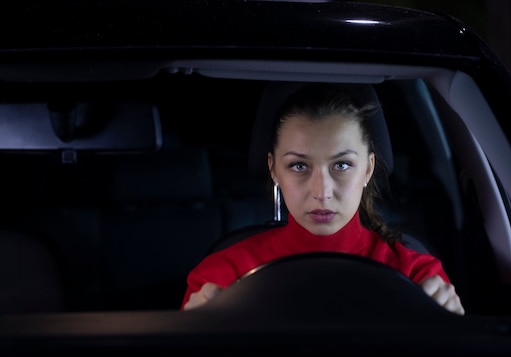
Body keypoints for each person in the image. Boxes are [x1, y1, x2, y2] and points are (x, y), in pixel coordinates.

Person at [182, 83, 465, 315]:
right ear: (274, 170)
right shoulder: (221, 277)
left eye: (341, 165)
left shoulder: (419, 277)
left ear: (367, 169)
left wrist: (453, 331)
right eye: (299, 166)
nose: (322, 192)